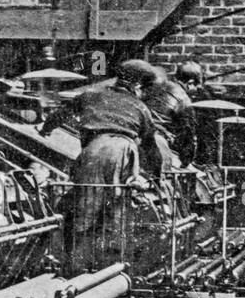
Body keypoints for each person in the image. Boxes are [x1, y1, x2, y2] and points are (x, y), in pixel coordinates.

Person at [39, 59, 161, 273]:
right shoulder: (140, 107)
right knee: (117, 209)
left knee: (85, 209)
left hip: (95, 151)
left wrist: (46, 129)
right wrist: (156, 179)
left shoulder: (91, 94)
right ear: (137, 86)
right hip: (125, 152)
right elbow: (151, 148)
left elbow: (60, 114)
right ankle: (112, 266)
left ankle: (76, 265)